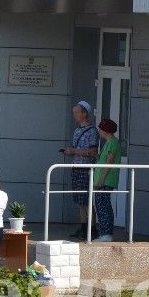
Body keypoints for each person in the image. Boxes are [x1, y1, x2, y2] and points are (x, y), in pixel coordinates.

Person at [61, 100, 99, 238]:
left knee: (87, 199)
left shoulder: (92, 131)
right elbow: (76, 150)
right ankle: (83, 227)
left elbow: (93, 152)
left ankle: (92, 228)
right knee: (79, 201)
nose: (74, 115)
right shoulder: (77, 130)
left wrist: (74, 151)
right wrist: (70, 152)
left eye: (76, 112)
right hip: (76, 167)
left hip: (86, 168)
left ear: (84, 113)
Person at [92, 119, 122, 242]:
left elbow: (109, 162)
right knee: (102, 205)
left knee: (103, 206)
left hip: (105, 181)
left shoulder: (112, 143)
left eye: (100, 129)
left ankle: (106, 234)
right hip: (103, 180)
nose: (99, 131)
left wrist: (101, 180)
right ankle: (105, 233)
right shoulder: (109, 142)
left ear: (105, 130)